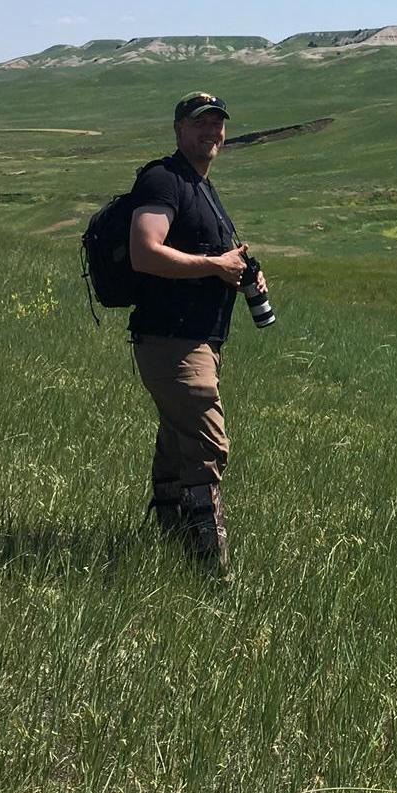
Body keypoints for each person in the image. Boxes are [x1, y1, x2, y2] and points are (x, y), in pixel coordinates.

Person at [127, 90, 265, 573]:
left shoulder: (203, 186)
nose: (212, 132)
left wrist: (241, 271)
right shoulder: (163, 180)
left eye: (218, 123)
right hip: (172, 340)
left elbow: (212, 262)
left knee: (178, 436)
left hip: (198, 339)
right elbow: (145, 252)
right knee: (207, 444)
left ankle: (166, 541)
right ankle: (212, 571)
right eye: (200, 123)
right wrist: (214, 265)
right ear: (178, 129)